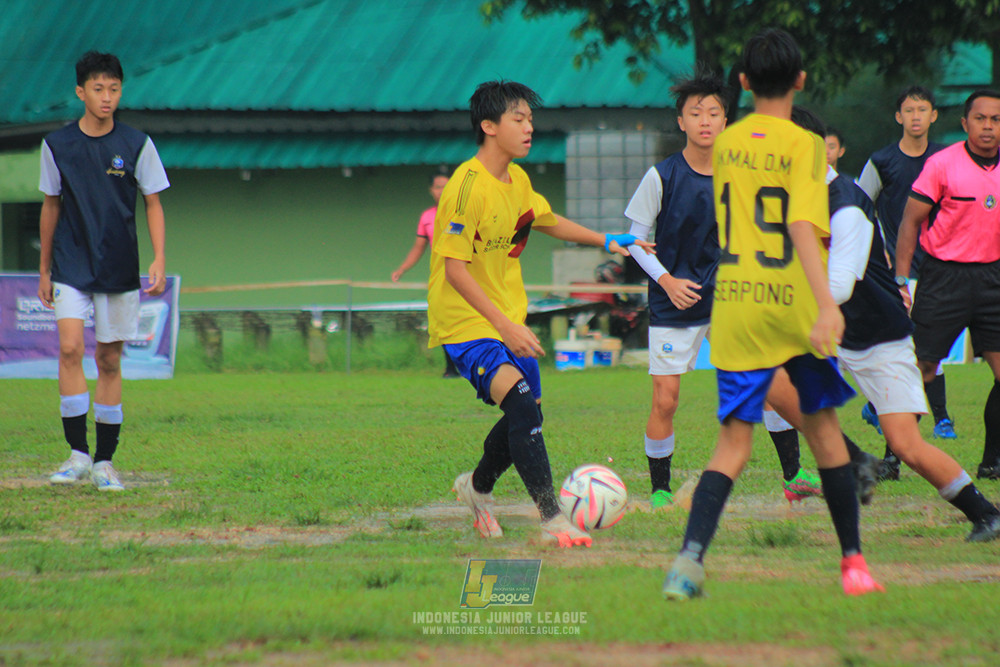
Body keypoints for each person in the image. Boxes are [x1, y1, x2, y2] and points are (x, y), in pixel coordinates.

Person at [662, 28, 883, 600]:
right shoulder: (804, 145)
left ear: (741, 83)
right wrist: (825, 305)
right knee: (827, 436)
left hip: (736, 303)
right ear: (801, 80)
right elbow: (802, 228)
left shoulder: (728, 143)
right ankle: (853, 565)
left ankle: (688, 562)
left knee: (732, 444)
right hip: (790, 303)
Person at [429, 80, 650, 547]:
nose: (530, 128)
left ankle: (477, 488)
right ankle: (553, 519)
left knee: (526, 416)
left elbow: (546, 220)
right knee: (523, 405)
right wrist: (505, 326)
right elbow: (454, 271)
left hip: (508, 317)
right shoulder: (466, 189)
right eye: (519, 119)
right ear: (489, 126)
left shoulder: (518, 181)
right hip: (468, 321)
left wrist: (608, 239)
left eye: (531, 119)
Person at [775, 105, 1000, 543]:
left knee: (905, 445)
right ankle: (855, 457)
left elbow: (839, 284)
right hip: (829, 332)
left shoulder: (846, 203)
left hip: (878, 334)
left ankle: (985, 512)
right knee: (766, 378)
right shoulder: (789, 199)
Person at [624, 72, 821, 509]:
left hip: (731, 297)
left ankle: (794, 476)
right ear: (681, 122)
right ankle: (659, 490)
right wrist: (667, 281)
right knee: (666, 398)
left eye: (714, 113)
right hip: (675, 300)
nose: (705, 121)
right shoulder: (661, 176)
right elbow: (633, 241)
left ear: (725, 120)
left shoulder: (741, 173)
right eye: (696, 114)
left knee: (767, 381)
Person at [39, 51, 169, 492]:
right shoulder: (57, 145)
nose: (107, 97)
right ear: (81, 93)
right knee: (70, 348)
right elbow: (51, 205)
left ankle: (104, 462)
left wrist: (158, 258)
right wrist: (43, 268)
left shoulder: (137, 144)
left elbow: (153, 201)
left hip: (118, 265)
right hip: (71, 264)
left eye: (114, 88)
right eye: (98, 89)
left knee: (109, 360)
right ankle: (76, 455)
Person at [896, 89, 1000, 483]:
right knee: (920, 368)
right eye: (981, 118)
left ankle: (992, 461)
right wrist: (901, 279)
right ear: (965, 123)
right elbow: (909, 222)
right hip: (945, 277)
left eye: (996, 119)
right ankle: (893, 457)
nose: (988, 126)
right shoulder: (942, 165)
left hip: (994, 277)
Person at [857, 87, 955, 467]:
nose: (915, 116)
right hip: (897, 273)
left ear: (933, 116)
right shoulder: (881, 161)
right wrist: (877, 257)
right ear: (898, 116)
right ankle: (894, 452)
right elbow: (858, 210)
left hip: (942, 271)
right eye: (908, 110)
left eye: (922, 109)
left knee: (926, 352)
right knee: (900, 355)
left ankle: (932, 420)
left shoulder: (948, 159)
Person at [391, 172, 459, 378]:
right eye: (438, 186)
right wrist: (402, 269)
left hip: (465, 274)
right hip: (441, 278)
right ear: (431, 190)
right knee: (445, 322)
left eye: (446, 186)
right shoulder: (427, 217)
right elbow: (418, 248)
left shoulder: (461, 213)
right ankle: (451, 368)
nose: (442, 191)